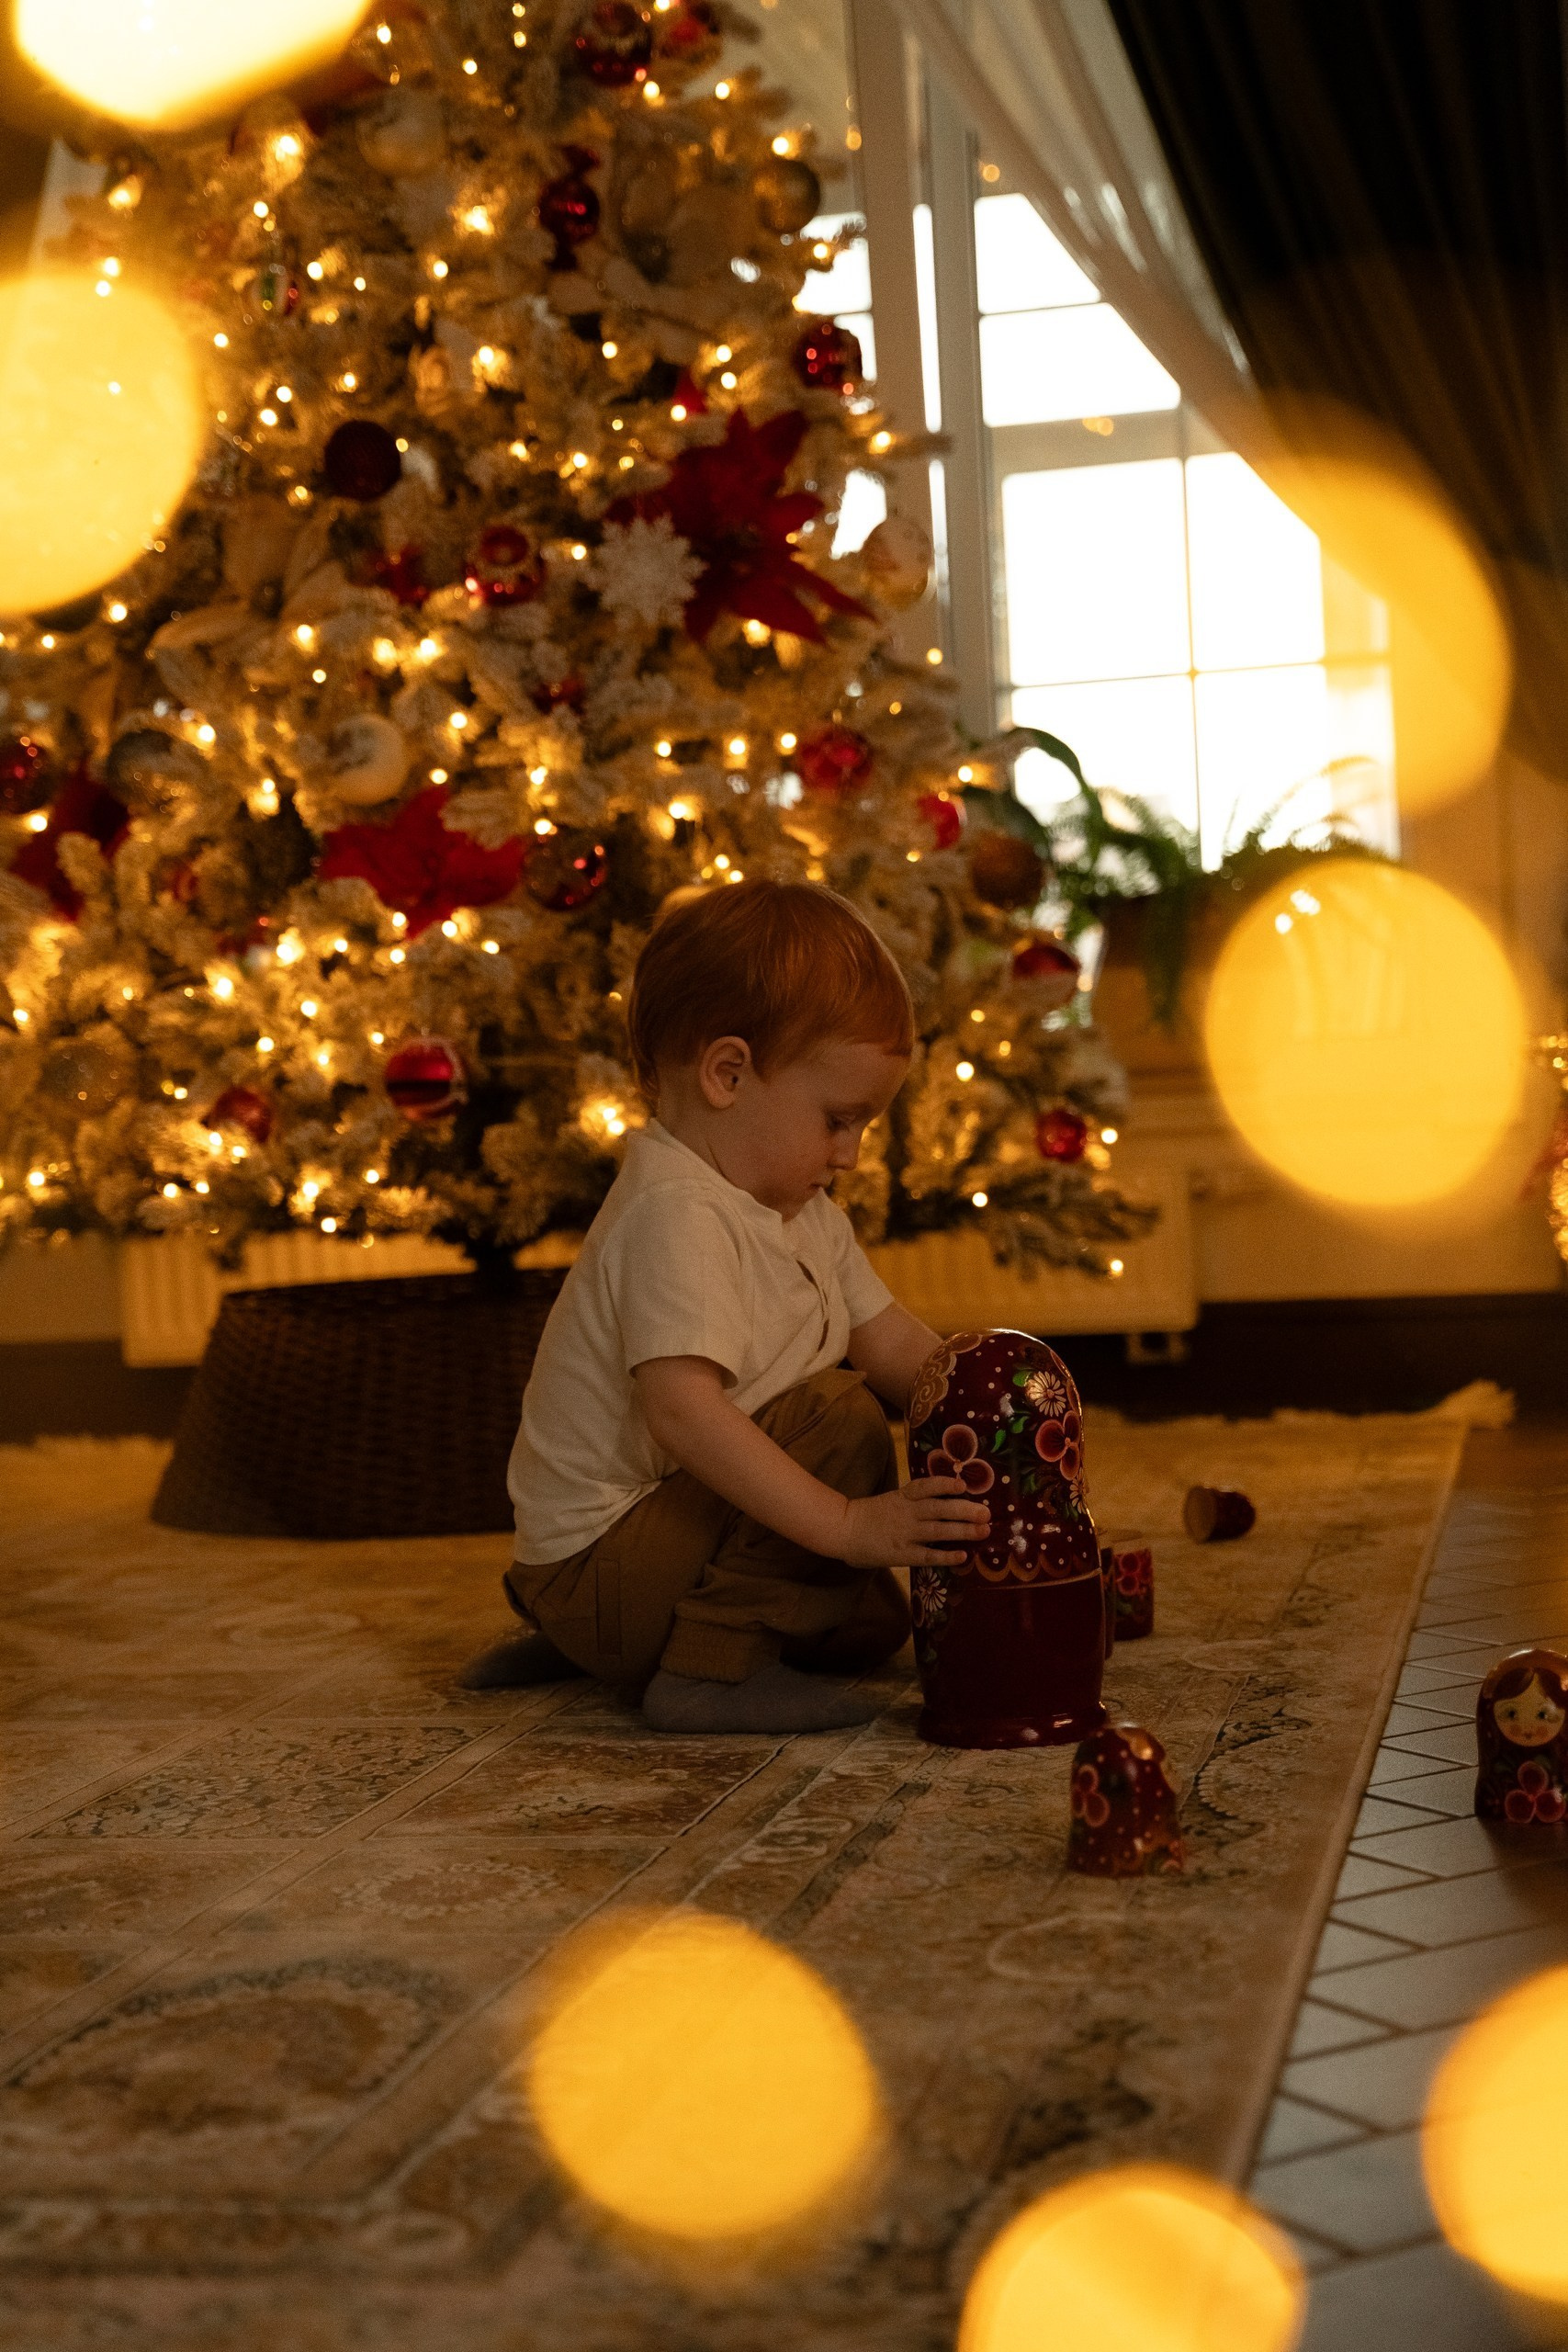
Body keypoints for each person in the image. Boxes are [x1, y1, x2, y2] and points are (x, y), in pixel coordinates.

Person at [460, 876, 990, 1733]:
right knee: (840, 1420)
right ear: (728, 1073)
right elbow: (683, 1415)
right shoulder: (677, 1213)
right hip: (594, 1566)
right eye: (838, 1119)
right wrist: (849, 1525)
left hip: (626, 1561)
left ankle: (619, 1638)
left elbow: (885, 1335)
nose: (851, 1154)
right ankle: (701, 1672)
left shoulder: (797, 1212)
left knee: (867, 1627)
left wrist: (991, 1393)